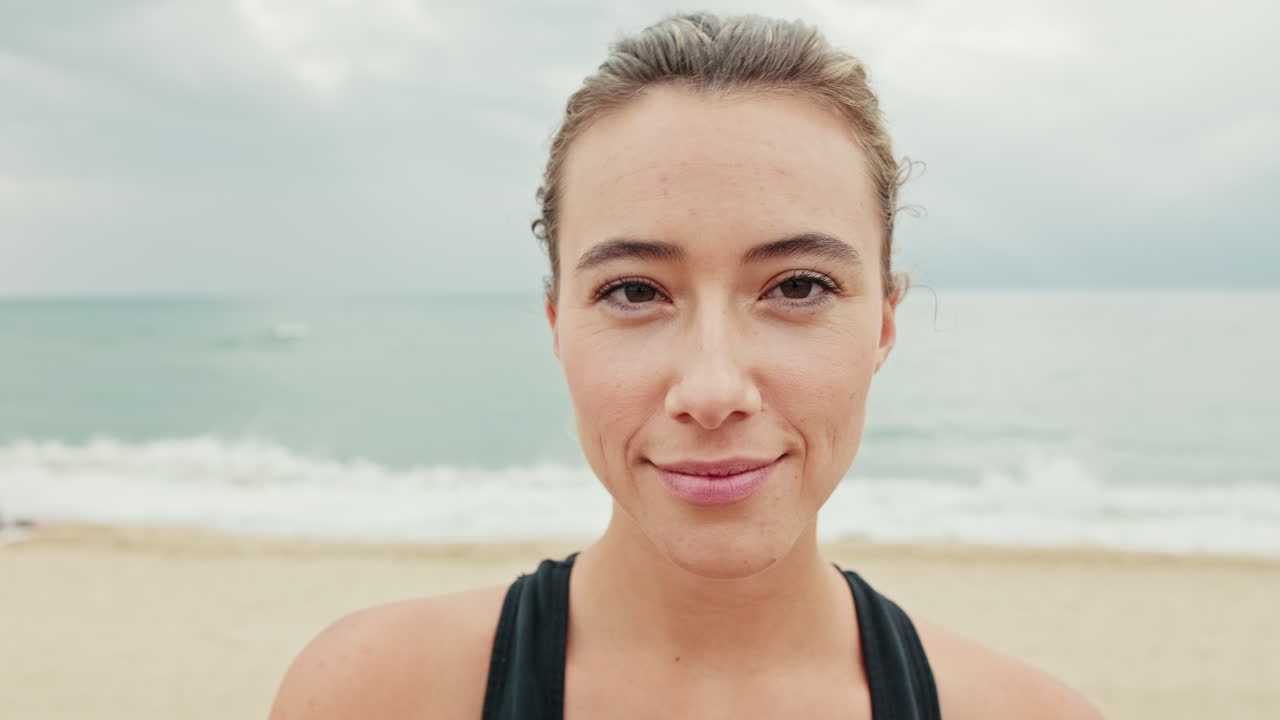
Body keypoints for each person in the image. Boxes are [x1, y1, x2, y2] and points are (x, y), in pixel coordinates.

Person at [269, 12, 1103, 719]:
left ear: (883, 323)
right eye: (635, 291)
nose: (711, 392)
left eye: (799, 286)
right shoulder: (378, 692)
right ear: (559, 324)